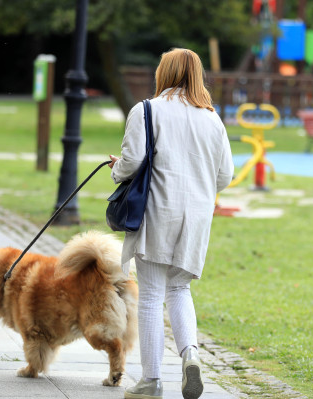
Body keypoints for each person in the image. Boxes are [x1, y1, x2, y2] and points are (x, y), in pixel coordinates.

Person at [109, 48, 234, 399]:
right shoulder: (212, 118)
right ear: (197, 75)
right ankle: (190, 355)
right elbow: (225, 175)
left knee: (149, 296)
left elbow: (132, 161)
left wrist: (116, 169)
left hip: (157, 213)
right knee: (179, 289)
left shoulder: (147, 110)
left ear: (163, 74)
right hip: (196, 217)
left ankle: (151, 381)